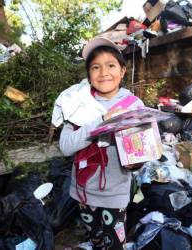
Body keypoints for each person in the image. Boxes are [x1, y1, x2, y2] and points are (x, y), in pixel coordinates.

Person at [58, 37, 144, 249]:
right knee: (95, 239)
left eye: (111, 65)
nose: (104, 72)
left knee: (114, 244)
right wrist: (101, 121)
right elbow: (66, 146)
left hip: (115, 193)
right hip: (82, 192)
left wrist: (138, 163)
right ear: (88, 74)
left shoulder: (133, 106)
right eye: (95, 67)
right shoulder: (75, 103)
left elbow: (142, 150)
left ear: (123, 71)